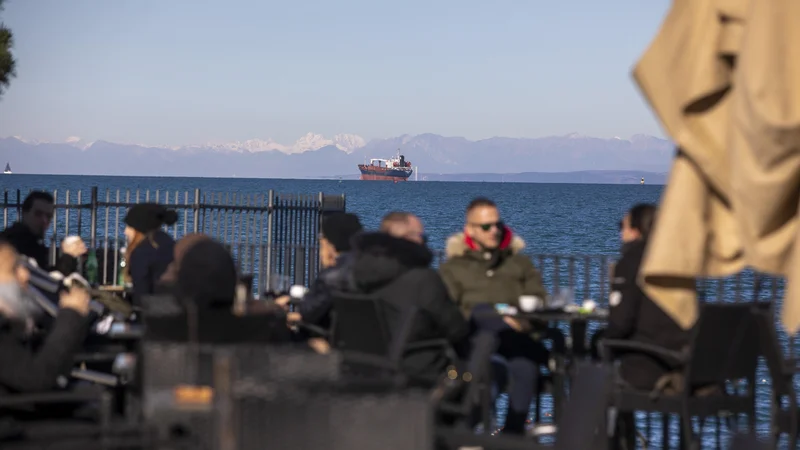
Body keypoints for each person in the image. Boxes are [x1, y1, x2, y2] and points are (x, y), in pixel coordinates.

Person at [439, 197, 548, 435]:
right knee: (487, 364)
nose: (494, 231)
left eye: (498, 224)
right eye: (487, 226)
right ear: (470, 230)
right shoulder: (455, 268)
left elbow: (539, 303)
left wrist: (520, 322)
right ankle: (464, 432)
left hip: (516, 340)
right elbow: (447, 311)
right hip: (472, 342)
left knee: (524, 368)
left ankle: (512, 434)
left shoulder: (519, 264)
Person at [346, 211, 468, 381]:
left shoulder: (355, 275)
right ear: (411, 239)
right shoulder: (423, 280)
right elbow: (456, 330)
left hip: (362, 370)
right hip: (415, 374)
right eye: (422, 237)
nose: (424, 242)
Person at [606, 203, 690, 389]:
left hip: (650, 366)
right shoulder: (678, 261)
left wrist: (600, 344)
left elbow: (620, 324)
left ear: (635, 231)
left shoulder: (631, 261)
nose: (621, 233)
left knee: (592, 373)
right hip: (687, 365)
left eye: (622, 226)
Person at [0, 241, 91, 394]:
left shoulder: (13, 322)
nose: (25, 275)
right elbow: (35, 378)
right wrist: (70, 316)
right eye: (14, 269)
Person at [277, 212, 363, 327]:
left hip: (332, 339)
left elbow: (309, 312)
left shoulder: (333, 277)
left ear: (329, 243)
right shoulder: (371, 270)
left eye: (322, 239)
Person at [0, 191, 87, 275]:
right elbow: (45, 283)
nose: (44, 220)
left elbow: (43, 275)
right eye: (38, 214)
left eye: (48, 216)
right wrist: (69, 256)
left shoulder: (32, 241)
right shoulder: (15, 243)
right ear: (24, 213)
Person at [123, 203, 178, 302]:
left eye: (129, 226)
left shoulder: (142, 253)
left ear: (139, 228)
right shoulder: (170, 244)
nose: (125, 231)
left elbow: (141, 295)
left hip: (155, 312)